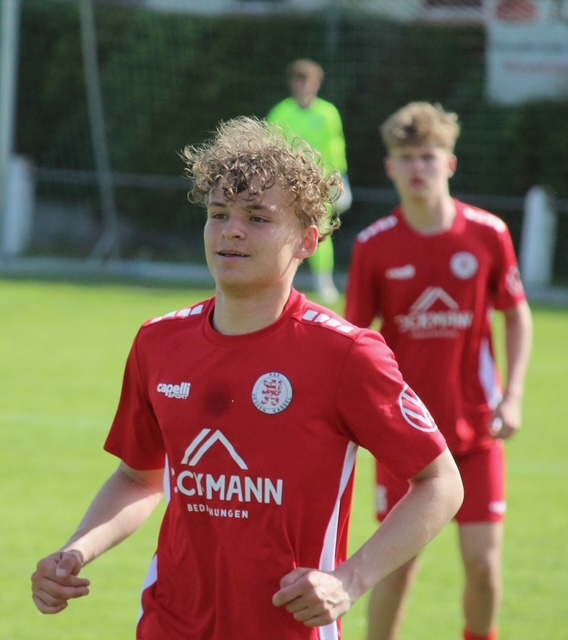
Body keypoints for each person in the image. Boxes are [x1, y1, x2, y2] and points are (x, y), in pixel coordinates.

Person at [31, 116, 464, 640]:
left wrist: (349, 580)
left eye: (258, 217)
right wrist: (76, 550)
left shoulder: (347, 354)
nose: (231, 230)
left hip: (289, 628)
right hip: (170, 625)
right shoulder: (158, 342)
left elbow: (441, 483)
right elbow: (138, 477)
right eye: (219, 214)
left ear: (307, 241)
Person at [344, 102, 533, 640]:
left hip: (475, 430)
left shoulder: (488, 233)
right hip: (403, 436)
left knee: (484, 567)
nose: (417, 168)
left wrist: (513, 396)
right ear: (390, 167)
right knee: (397, 569)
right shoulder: (374, 245)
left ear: (450, 162)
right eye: (406, 158)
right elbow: (352, 339)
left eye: (428, 156)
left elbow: (517, 314)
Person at [267, 58, 352, 303]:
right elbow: (271, 149)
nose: (305, 86)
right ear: (292, 83)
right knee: (282, 232)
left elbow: (336, 148)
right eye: (300, 80)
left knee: (320, 231)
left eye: (309, 81)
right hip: (288, 184)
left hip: (320, 184)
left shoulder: (328, 113)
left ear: (317, 83)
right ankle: (277, 281)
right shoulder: (281, 113)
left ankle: (324, 282)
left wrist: (341, 179)